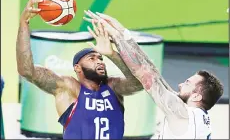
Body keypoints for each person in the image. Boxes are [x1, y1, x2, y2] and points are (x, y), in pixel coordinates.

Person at [16, 0, 143, 139]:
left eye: (101, 58)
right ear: (77, 68)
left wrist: (113, 54)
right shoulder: (69, 88)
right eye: (92, 58)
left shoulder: (114, 87)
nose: (99, 61)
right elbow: (26, 71)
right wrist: (24, 24)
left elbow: (141, 82)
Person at [83, 10, 224, 139]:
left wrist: (116, 36)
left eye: (187, 83)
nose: (181, 84)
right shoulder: (195, 116)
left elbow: (145, 75)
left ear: (196, 96)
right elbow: (153, 72)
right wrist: (123, 33)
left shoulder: (181, 113)